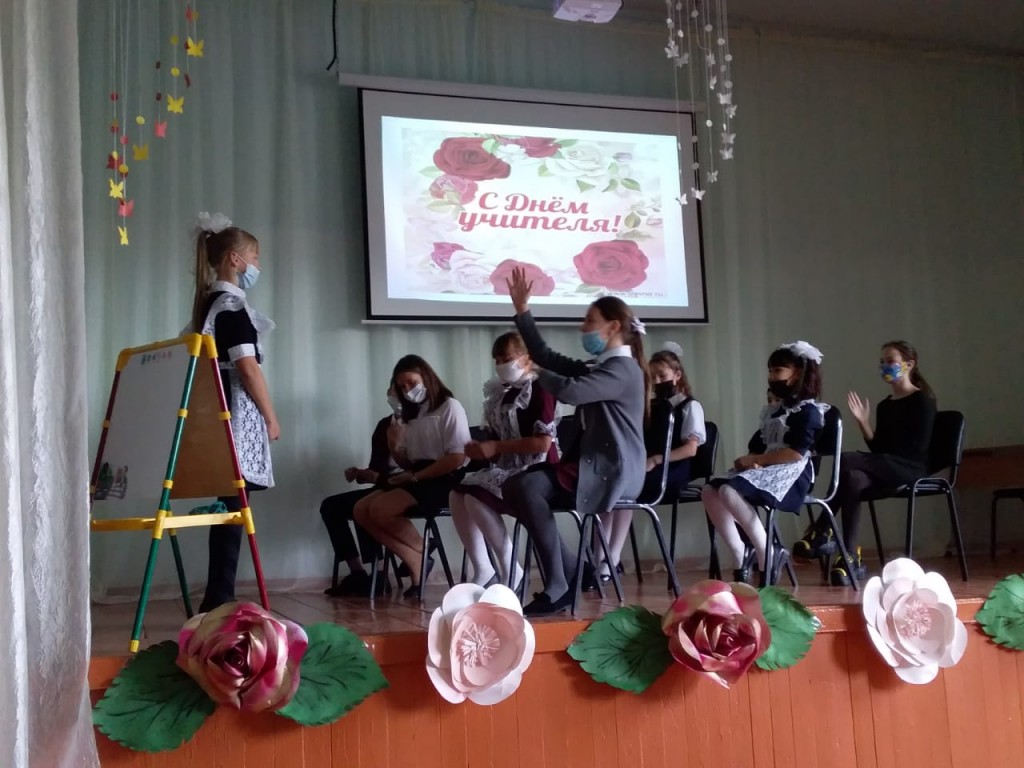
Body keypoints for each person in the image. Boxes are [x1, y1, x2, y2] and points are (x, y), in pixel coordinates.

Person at [501, 266, 648, 616]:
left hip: (615, 470)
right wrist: (522, 310)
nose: (583, 328)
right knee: (515, 486)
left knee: (528, 486)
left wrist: (537, 373)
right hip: (594, 464)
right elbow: (547, 356)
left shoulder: (623, 370)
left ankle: (559, 584)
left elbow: (572, 392)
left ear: (613, 327)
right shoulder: (603, 366)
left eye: (590, 321)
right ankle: (573, 570)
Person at [188, 212, 279, 612]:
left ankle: (218, 595)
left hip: (215, 413)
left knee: (230, 506)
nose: (258, 265)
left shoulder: (207, 305)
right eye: (255, 258)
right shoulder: (230, 306)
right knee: (234, 506)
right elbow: (248, 367)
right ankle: (219, 598)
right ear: (235, 260)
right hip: (235, 415)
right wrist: (271, 416)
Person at [794, 340, 936, 586]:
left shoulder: (923, 400)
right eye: (882, 362)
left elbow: (917, 448)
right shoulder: (885, 405)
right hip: (887, 466)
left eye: (890, 361)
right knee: (853, 479)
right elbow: (879, 449)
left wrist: (882, 458)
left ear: (909, 364)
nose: (884, 366)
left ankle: (821, 528)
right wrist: (863, 423)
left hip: (910, 468)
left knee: (847, 459)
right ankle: (850, 556)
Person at [701, 341, 826, 584]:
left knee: (729, 491)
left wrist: (757, 459)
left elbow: (796, 454)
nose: (771, 377)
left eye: (777, 370)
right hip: (768, 467)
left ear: (797, 373)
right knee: (709, 490)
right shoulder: (774, 411)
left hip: (794, 474)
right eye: (770, 371)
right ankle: (741, 552)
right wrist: (751, 462)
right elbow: (759, 446)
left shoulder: (808, 411)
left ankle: (767, 551)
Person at [353, 355, 471, 599]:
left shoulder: (449, 406)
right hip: (419, 474)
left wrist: (415, 476)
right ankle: (418, 559)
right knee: (361, 510)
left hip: (446, 476)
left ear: (426, 378)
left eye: (412, 383)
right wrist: (395, 446)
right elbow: (407, 462)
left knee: (380, 510)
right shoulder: (410, 415)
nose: (407, 390)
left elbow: (456, 458)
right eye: (402, 386)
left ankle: (420, 556)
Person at [449, 332, 558, 588]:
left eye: (507, 358)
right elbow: (497, 444)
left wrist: (496, 446)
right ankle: (483, 568)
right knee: (457, 493)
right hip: (509, 467)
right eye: (497, 360)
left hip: (540, 467)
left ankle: (511, 568)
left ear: (527, 358)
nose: (501, 365)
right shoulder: (501, 393)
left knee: (476, 495)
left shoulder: (540, 389)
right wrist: (481, 450)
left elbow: (543, 443)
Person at [591, 343, 707, 583]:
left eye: (662, 376)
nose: (657, 381)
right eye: (652, 377)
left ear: (677, 375)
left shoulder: (689, 406)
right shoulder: (650, 407)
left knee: (626, 488)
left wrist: (657, 459)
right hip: (646, 466)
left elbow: (691, 449)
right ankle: (597, 557)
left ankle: (612, 558)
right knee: (607, 484)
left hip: (672, 468)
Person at [320, 388, 404, 598]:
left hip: (408, 487)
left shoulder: (422, 424)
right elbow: (376, 469)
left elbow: (421, 468)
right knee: (330, 506)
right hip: (383, 486)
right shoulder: (384, 425)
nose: (393, 394)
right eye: (391, 390)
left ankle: (380, 573)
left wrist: (378, 478)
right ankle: (357, 572)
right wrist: (360, 473)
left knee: (363, 507)